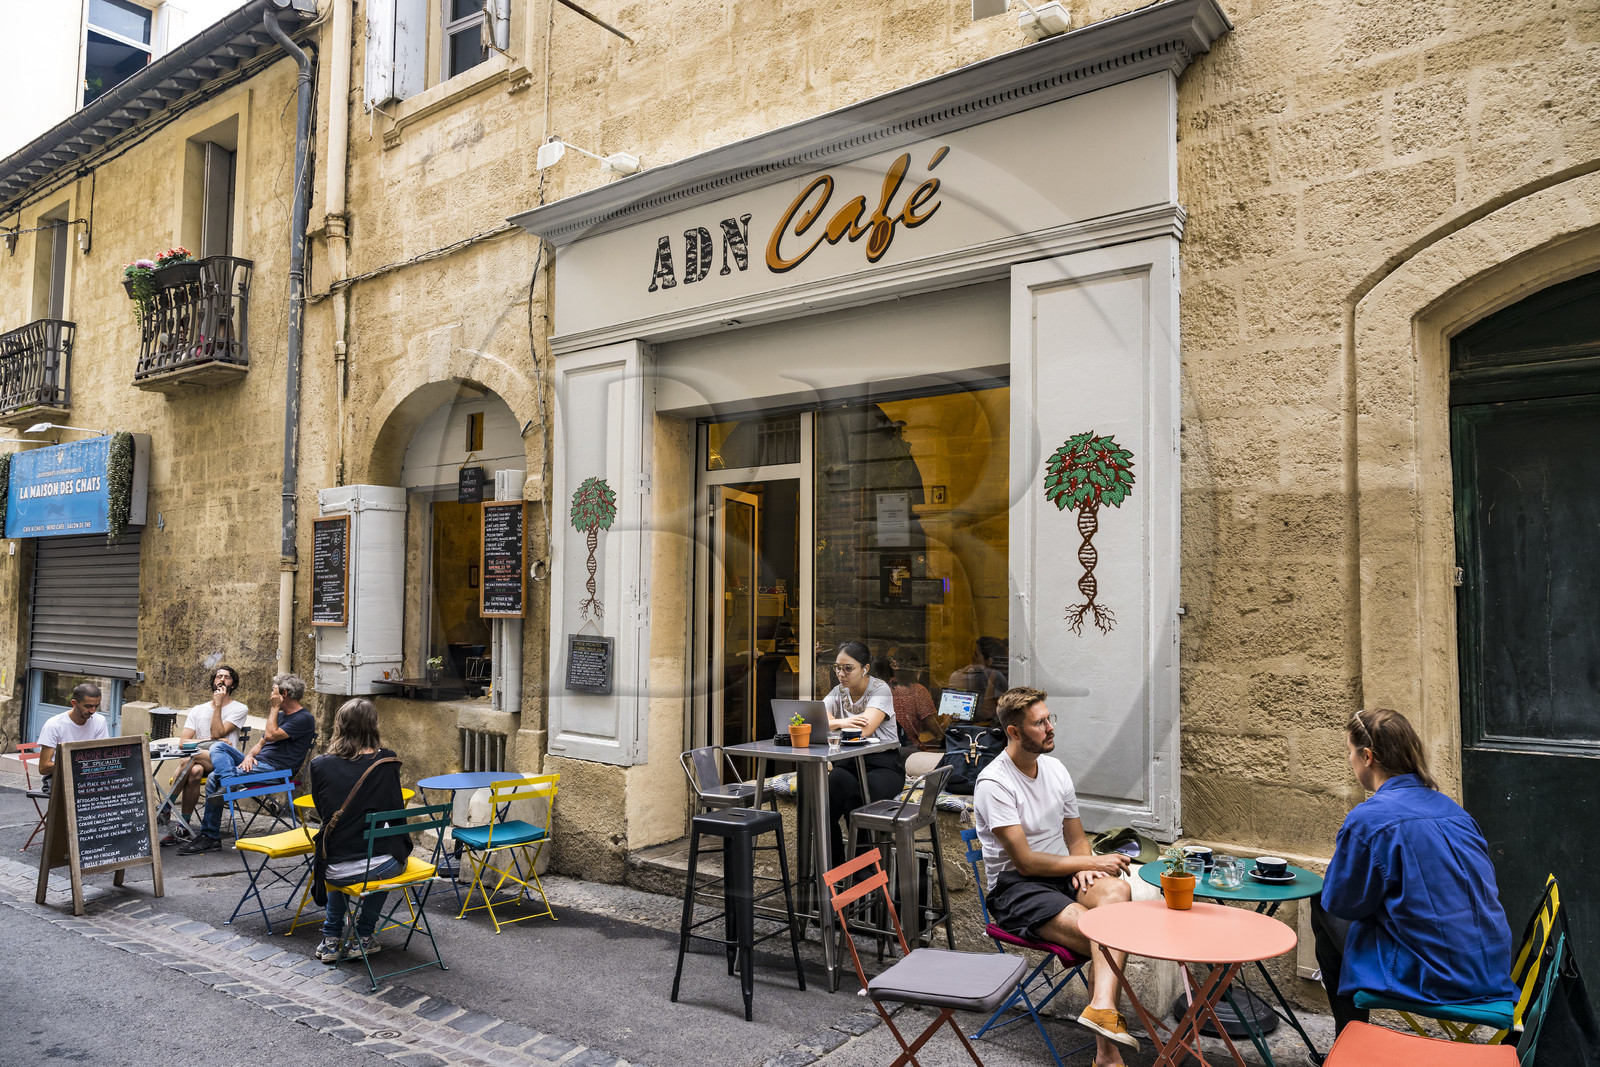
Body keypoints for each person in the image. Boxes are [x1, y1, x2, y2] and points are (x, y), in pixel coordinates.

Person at [1312, 708, 1516, 1035]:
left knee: (1319, 901)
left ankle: (1348, 1041)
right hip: (1491, 970)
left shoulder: (1368, 819)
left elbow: (1341, 903)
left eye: (1350, 752)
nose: (1350, 761)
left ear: (1367, 757)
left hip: (1436, 978)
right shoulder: (1454, 811)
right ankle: (1347, 1043)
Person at [974, 686, 1137, 1066]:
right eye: (1040, 722)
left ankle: (1099, 1007)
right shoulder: (994, 784)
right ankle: (1107, 1054)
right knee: (1107, 932)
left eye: (1050, 718)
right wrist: (1091, 863)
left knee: (1118, 890)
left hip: (1060, 875)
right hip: (1015, 888)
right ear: (1014, 732)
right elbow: (1027, 863)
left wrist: (1083, 862)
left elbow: (1077, 838)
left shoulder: (1056, 769)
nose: (1050, 727)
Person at [309, 697, 409, 962]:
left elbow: (323, 814)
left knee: (343, 858)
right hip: (379, 865)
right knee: (386, 859)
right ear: (373, 726)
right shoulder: (387, 761)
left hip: (334, 868)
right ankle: (363, 936)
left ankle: (331, 940)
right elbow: (394, 810)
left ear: (339, 725)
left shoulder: (320, 765)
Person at [179, 673, 316, 855]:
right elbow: (261, 743)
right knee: (219, 745)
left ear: (284, 693)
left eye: (273, 691)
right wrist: (249, 756)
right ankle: (229, 780)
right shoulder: (282, 716)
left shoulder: (304, 718)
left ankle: (210, 836)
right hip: (258, 763)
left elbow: (271, 735)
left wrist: (274, 708)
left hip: (277, 771)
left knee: (213, 778)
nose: (270, 696)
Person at [821, 640, 905, 866]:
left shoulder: (880, 689)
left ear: (865, 669)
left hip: (883, 766)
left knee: (856, 804)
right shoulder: (838, 691)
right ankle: (835, 870)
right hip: (847, 764)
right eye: (837, 667)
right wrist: (845, 721)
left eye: (848, 668)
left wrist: (835, 723)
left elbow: (864, 729)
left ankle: (863, 877)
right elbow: (819, 719)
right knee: (822, 804)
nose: (841, 673)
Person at [163, 666, 249, 845]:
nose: (222, 680)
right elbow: (183, 742)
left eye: (227, 677)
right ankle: (184, 825)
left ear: (233, 684)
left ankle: (166, 806)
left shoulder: (239, 708)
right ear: (213, 681)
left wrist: (217, 705)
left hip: (223, 763)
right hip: (200, 761)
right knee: (193, 770)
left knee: (189, 757)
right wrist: (209, 739)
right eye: (219, 676)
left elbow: (218, 731)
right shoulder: (198, 710)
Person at [35, 682, 110, 792]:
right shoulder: (54, 725)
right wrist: (75, 764)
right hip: (57, 776)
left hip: (87, 775)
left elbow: (103, 756)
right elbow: (44, 767)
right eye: (88, 706)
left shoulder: (100, 721)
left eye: (96, 706)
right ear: (74, 703)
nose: (92, 711)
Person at [880, 647, 940, 751]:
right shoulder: (918, 691)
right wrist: (947, 721)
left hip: (882, 749)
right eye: (920, 668)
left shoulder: (881, 687)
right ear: (916, 669)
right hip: (907, 750)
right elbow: (938, 732)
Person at [947, 636, 1007, 722]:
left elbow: (988, 714)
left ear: (989, 661)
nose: (972, 658)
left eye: (976, 655)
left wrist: (991, 682)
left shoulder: (997, 677)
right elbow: (950, 717)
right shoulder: (961, 676)